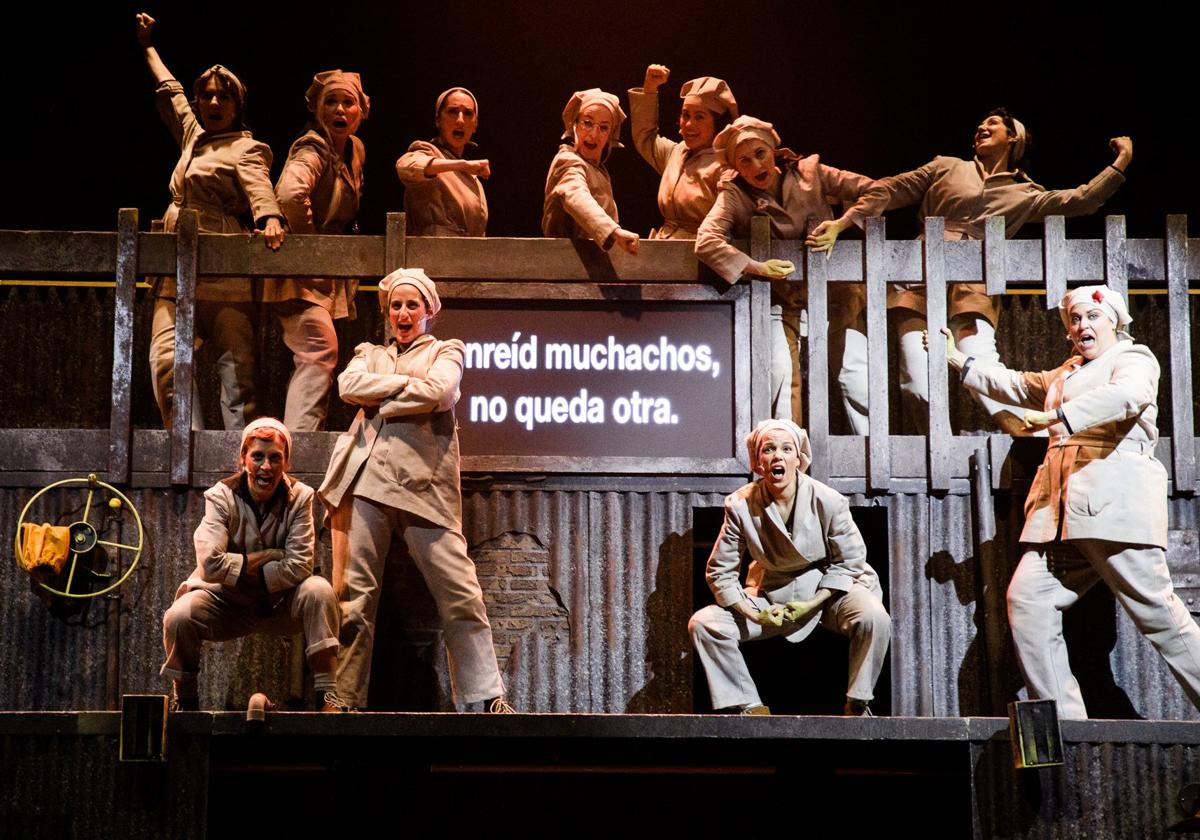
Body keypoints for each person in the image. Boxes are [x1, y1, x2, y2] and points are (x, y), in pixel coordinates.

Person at [933, 285, 1200, 719]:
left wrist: (1058, 417)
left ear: (1113, 321)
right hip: (1060, 518)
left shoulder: (1133, 358)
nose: (1082, 326)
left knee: (1162, 619)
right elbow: (1015, 385)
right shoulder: (1066, 374)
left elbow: (1127, 396)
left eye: (1092, 317)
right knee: (1028, 601)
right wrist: (960, 361)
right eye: (1075, 320)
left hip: (1113, 510)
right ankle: (1066, 723)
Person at [318, 268, 512, 712]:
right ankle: (345, 696)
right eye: (396, 306)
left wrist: (380, 401)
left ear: (428, 311)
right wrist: (409, 388)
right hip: (367, 480)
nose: (403, 313)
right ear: (387, 313)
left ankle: (486, 697)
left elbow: (441, 391)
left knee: (461, 592)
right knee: (354, 595)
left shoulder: (448, 350)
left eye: (412, 305)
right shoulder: (369, 352)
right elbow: (348, 386)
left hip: (426, 487)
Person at [884, 108, 1133, 433]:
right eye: (981, 122)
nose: (981, 126)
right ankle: (932, 454)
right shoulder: (947, 166)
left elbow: (1082, 199)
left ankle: (1028, 433)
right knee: (917, 380)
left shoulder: (1023, 192)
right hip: (918, 277)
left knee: (981, 363)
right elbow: (891, 187)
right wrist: (836, 194)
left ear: (1013, 136)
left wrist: (1122, 159)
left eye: (992, 123)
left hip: (973, 284)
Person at [135, 12, 285, 430]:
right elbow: (170, 91)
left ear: (238, 106)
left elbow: (259, 186)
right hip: (176, 270)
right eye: (209, 96)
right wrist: (147, 45)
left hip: (222, 270)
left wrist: (270, 216)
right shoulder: (192, 135)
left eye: (225, 97)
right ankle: (187, 443)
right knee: (165, 363)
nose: (215, 103)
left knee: (237, 375)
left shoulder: (245, 147)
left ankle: (241, 459)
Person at [695, 116, 888, 427]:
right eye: (744, 160)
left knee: (855, 378)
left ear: (773, 151)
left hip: (834, 294)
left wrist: (840, 225)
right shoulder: (734, 194)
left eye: (760, 153)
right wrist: (756, 267)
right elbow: (706, 241)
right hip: (782, 301)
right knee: (782, 381)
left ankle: (870, 465)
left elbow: (877, 191)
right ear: (735, 166)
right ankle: (789, 464)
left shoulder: (810, 173)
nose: (755, 165)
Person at [689, 419, 891, 716]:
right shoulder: (740, 504)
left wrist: (813, 603)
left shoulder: (829, 500)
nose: (777, 456)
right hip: (771, 598)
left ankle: (858, 701)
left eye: (786, 449)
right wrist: (753, 612)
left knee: (874, 616)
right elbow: (720, 570)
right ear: (759, 462)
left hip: (828, 594)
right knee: (705, 623)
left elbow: (850, 560)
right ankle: (750, 705)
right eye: (768, 449)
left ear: (799, 459)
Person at [160, 418, 342, 711]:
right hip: (228, 602)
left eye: (275, 458)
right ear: (243, 459)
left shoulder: (301, 497)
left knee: (320, 592)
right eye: (257, 456)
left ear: (286, 462)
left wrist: (239, 568)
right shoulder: (221, 496)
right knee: (179, 616)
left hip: (281, 602)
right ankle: (186, 699)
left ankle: (328, 696)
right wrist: (269, 555)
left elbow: (300, 565)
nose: (266, 467)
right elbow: (210, 564)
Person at [267, 70, 368, 432]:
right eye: (331, 102)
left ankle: (299, 441)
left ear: (361, 111)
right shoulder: (313, 146)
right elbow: (291, 194)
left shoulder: (355, 150)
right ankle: (297, 444)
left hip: (325, 270)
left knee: (321, 352)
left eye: (348, 102)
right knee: (319, 348)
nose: (340, 109)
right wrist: (311, 246)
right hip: (299, 270)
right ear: (317, 108)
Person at [627, 65, 737, 239]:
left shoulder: (727, 165)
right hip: (662, 250)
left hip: (700, 253)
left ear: (717, 123)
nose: (688, 124)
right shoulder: (676, 153)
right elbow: (645, 137)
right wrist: (649, 88)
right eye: (685, 115)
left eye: (699, 116)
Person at [542, 89, 641, 254]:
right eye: (587, 123)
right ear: (575, 124)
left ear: (610, 135)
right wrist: (614, 232)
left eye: (603, 128)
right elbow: (575, 195)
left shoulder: (596, 169)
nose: (594, 134)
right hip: (564, 261)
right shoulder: (568, 161)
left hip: (588, 263)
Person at [396, 87, 489, 237]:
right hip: (430, 256)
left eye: (467, 113)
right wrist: (463, 164)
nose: (460, 120)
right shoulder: (428, 151)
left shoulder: (473, 179)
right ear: (438, 120)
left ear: (475, 125)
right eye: (452, 112)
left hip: (466, 258)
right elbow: (405, 167)